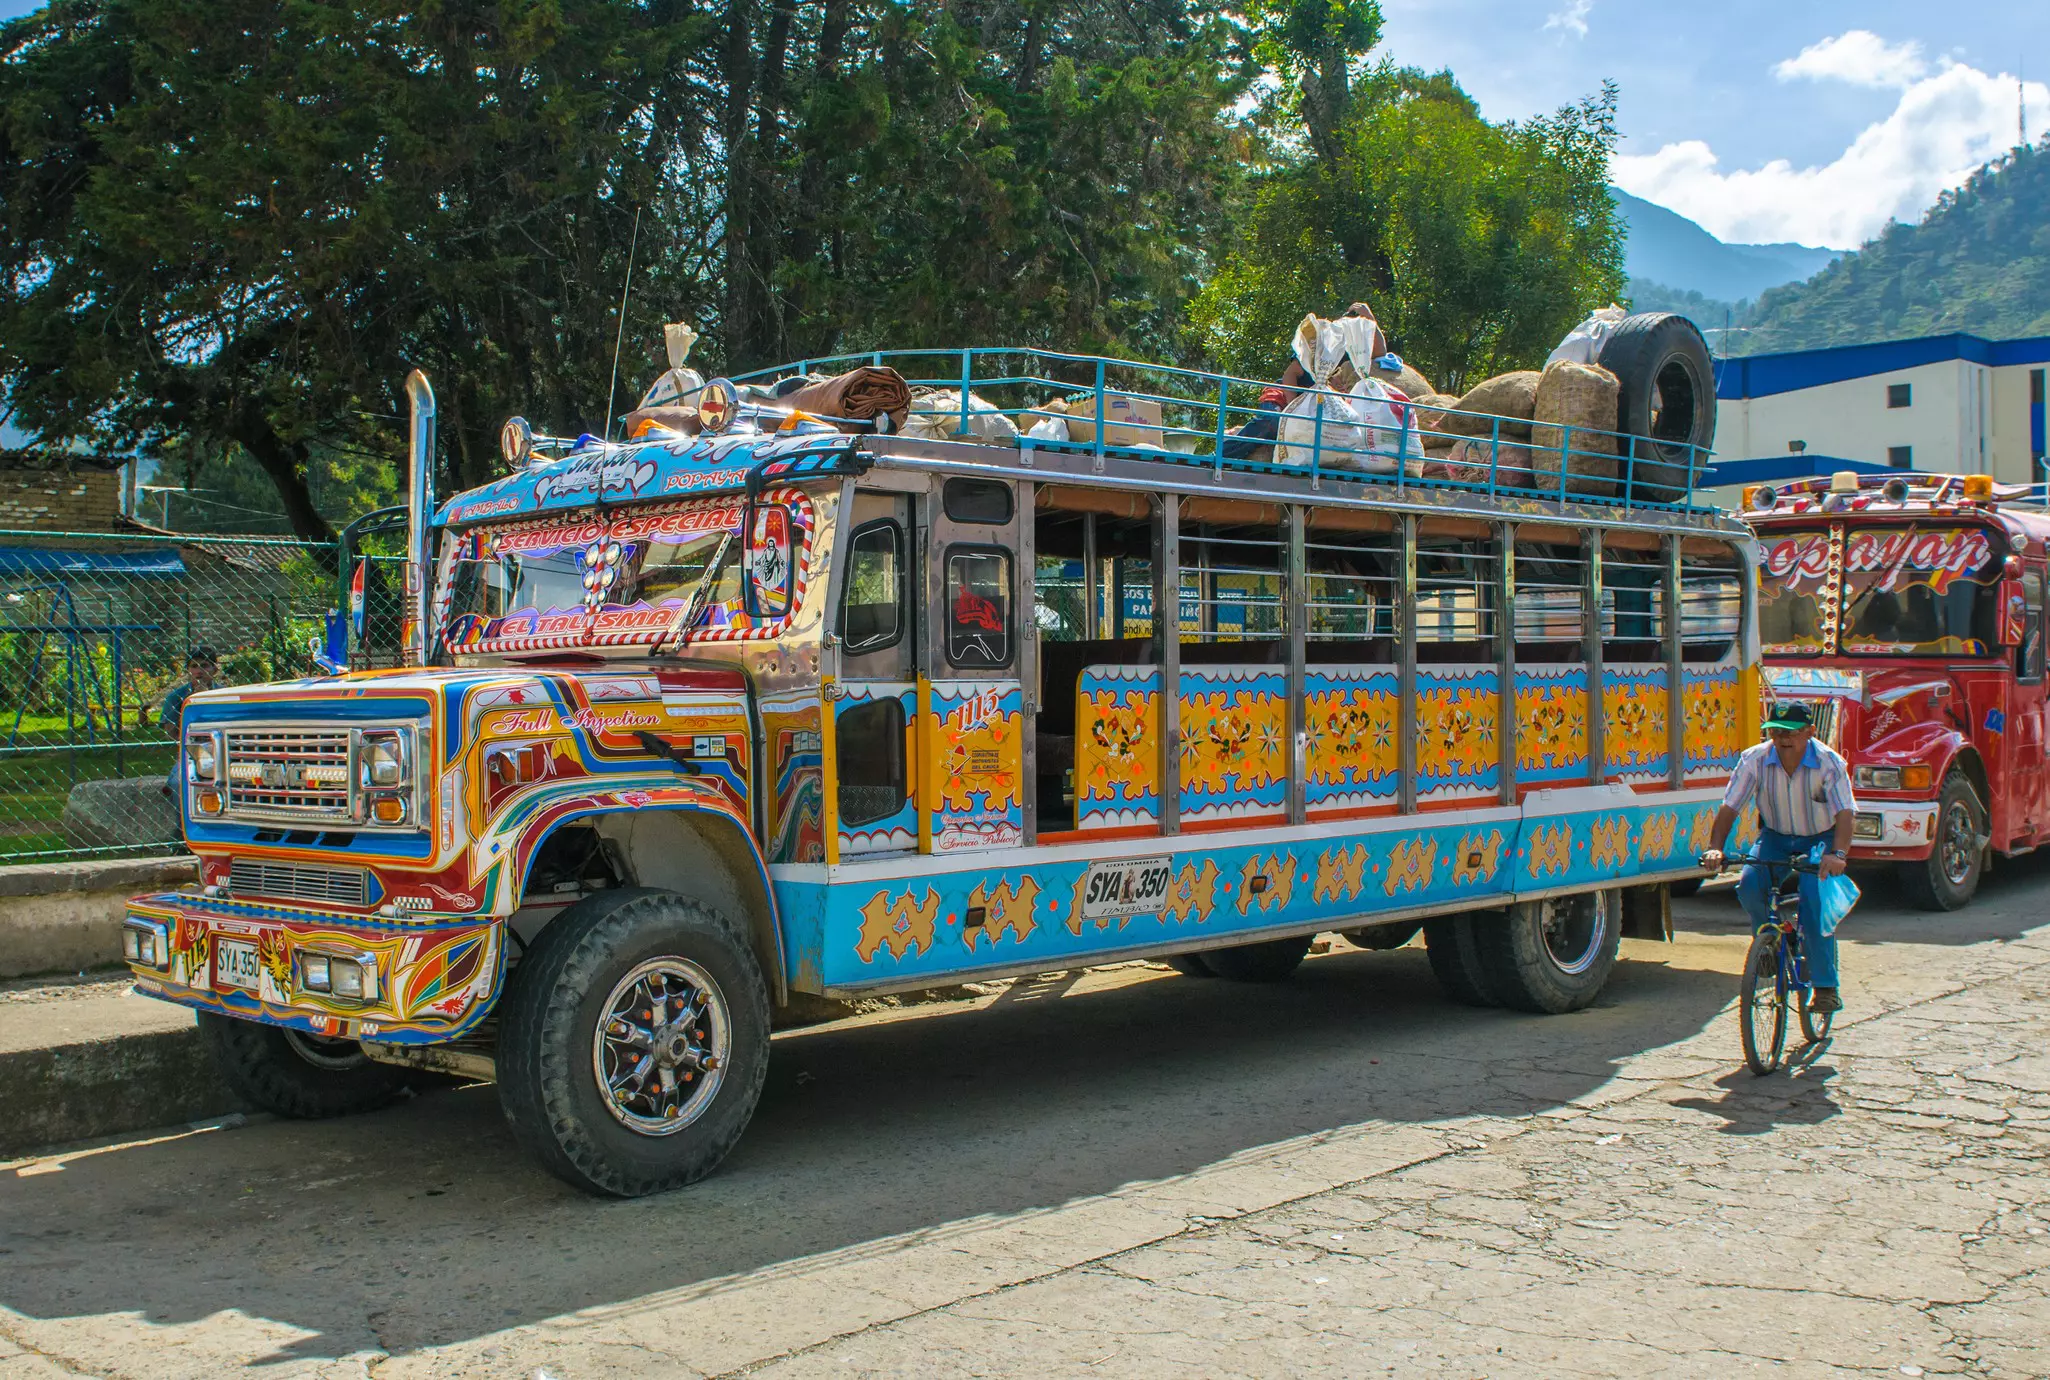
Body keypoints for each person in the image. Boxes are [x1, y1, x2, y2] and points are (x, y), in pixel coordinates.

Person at [1700, 702, 1857, 1014]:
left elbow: (1845, 813)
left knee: (1814, 905)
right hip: (1776, 836)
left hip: (1820, 839)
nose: (1784, 739)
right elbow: (1730, 806)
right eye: (1776, 732)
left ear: (1810, 732)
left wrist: (1838, 854)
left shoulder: (1829, 763)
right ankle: (1769, 942)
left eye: (1793, 732)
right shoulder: (1753, 759)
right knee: (1749, 886)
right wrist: (1716, 847)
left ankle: (1826, 988)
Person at [157, 646, 218, 734]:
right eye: (194, 666)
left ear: (215, 670)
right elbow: (171, 734)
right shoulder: (175, 698)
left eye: (204, 666)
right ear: (188, 670)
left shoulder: (225, 693)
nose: (199, 671)